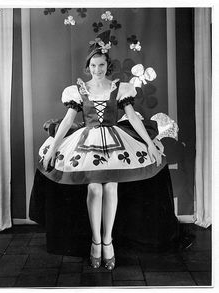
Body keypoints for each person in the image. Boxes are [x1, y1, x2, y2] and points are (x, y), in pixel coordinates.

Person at [37, 33, 167, 271]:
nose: (98, 69)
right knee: (95, 189)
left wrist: (149, 143)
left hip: (116, 140)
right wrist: (52, 149)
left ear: (108, 66)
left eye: (102, 65)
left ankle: (108, 241)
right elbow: (67, 122)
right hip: (87, 140)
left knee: (111, 187)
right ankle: (96, 242)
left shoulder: (119, 88)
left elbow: (131, 118)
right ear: (88, 67)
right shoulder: (79, 90)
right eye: (94, 65)